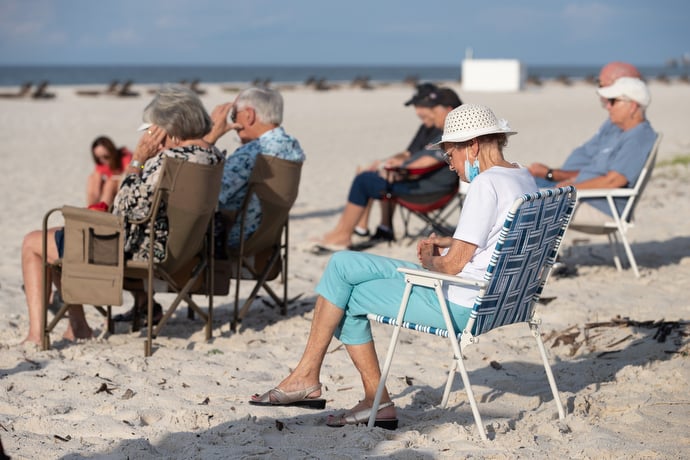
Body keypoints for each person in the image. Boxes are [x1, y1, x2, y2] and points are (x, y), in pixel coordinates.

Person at [249, 104, 538, 429]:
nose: (451, 165)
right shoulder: (520, 176)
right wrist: (450, 240)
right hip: (500, 300)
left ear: (471, 145)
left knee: (347, 297)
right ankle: (308, 375)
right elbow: (500, 236)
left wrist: (429, 259)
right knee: (343, 263)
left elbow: (453, 266)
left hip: (460, 303)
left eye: (450, 155)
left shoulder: (485, 184)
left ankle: (363, 396)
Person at [21, 85, 224, 345]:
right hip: (184, 251)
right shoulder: (212, 156)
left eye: (156, 130)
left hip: (137, 250)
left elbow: (123, 211)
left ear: (170, 129)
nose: (155, 139)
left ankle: (37, 335)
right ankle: (78, 326)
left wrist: (138, 160)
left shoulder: (168, 162)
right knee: (57, 240)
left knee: (33, 242)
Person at [314, 87, 462, 252]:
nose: (431, 114)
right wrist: (390, 165)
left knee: (364, 181)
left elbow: (426, 162)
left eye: (435, 110)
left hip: (427, 191)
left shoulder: (451, 133)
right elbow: (414, 156)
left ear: (448, 110)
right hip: (420, 183)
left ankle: (343, 235)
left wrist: (397, 169)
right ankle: (341, 231)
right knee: (369, 176)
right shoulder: (440, 130)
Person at [202, 87, 306, 248]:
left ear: (249, 115)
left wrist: (207, 140)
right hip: (265, 240)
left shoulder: (251, 154)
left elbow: (206, 197)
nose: (232, 122)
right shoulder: (292, 147)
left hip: (233, 239)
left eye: (233, 115)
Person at [352, 82, 447, 241]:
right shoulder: (426, 127)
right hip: (414, 175)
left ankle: (370, 227)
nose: (417, 112)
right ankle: (371, 226)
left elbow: (428, 160)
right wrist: (386, 161)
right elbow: (407, 153)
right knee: (370, 169)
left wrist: (397, 166)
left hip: (423, 185)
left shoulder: (441, 128)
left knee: (375, 176)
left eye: (419, 107)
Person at [557, 77, 656, 226]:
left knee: (527, 208)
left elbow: (614, 180)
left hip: (604, 207)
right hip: (591, 199)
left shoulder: (638, 137)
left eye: (613, 101)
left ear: (633, 106)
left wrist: (568, 190)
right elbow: (601, 172)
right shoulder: (624, 133)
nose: (608, 106)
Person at [528, 61, 642, 187]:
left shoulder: (632, 134)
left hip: (570, 189)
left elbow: (609, 178)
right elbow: (597, 171)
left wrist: (553, 175)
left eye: (603, 85)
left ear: (631, 105)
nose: (599, 90)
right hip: (566, 183)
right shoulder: (616, 125)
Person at [86, 136, 132, 207]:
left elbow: (132, 171)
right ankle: (91, 207)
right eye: (98, 158)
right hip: (111, 189)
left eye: (106, 157)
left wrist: (114, 178)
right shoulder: (101, 164)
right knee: (92, 178)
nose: (102, 160)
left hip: (123, 189)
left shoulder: (124, 156)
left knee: (110, 183)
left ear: (112, 152)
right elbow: (96, 182)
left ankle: (102, 209)